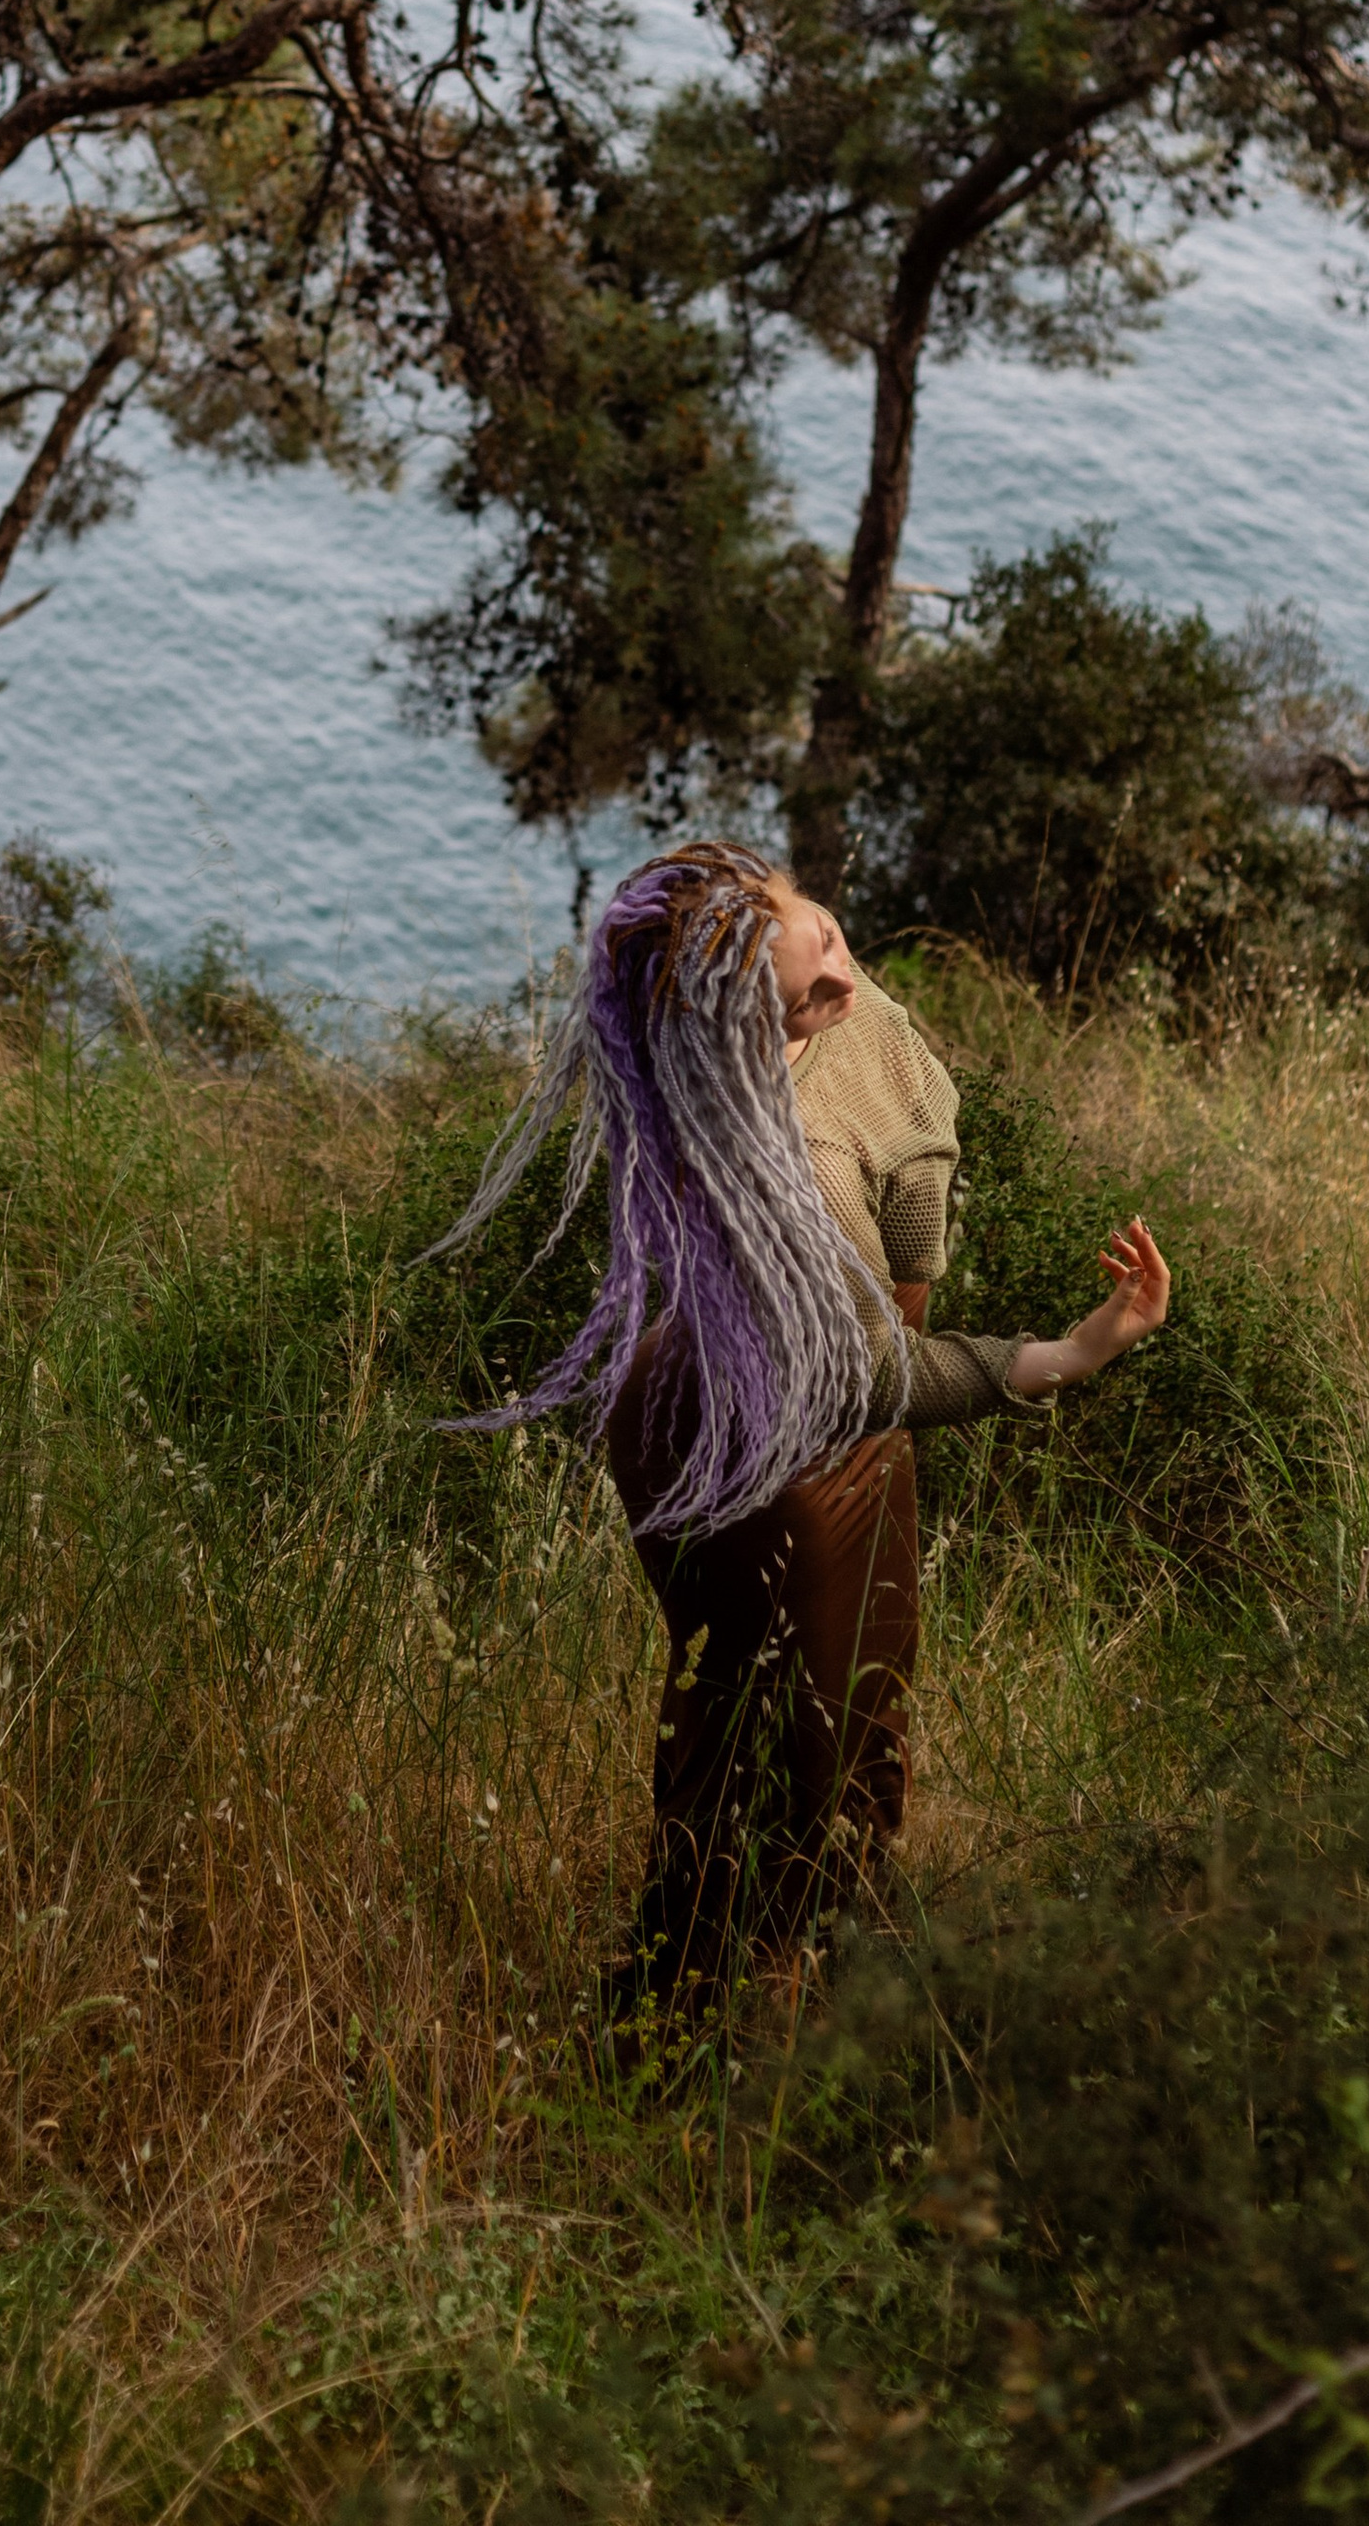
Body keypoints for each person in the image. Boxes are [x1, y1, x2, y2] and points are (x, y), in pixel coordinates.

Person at [441, 840, 1169, 2011]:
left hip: (748, 1398)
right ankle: (749, 2002)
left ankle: (725, 1986)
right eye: (804, 994)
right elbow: (883, 1364)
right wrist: (1078, 1352)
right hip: (773, 1427)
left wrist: (894, 1352)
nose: (841, 986)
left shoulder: (832, 1028)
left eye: (824, 939)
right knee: (803, 1732)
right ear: (729, 1025)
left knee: (762, 1708)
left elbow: (897, 1291)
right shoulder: (754, 1143)